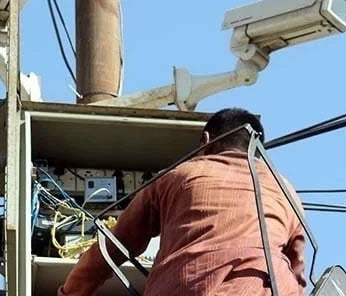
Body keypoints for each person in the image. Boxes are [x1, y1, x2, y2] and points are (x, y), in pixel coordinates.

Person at [58, 108, 306, 296]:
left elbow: (112, 247)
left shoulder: (180, 175)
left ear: (206, 140)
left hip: (189, 285)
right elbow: (298, 274)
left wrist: (69, 292)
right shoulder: (287, 191)